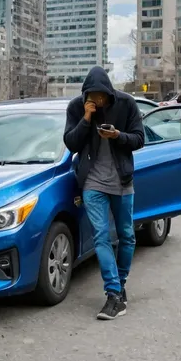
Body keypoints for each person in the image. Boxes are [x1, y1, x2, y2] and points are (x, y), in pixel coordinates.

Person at [64, 66, 144, 320]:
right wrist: (86, 119)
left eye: (101, 95)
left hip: (121, 181)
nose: (97, 100)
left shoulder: (127, 104)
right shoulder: (77, 107)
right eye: (92, 95)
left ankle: (120, 285)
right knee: (101, 237)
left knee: (126, 235)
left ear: (109, 92)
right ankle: (113, 293)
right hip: (92, 183)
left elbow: (139, 139)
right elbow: (71, 143)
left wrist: (118, 135)